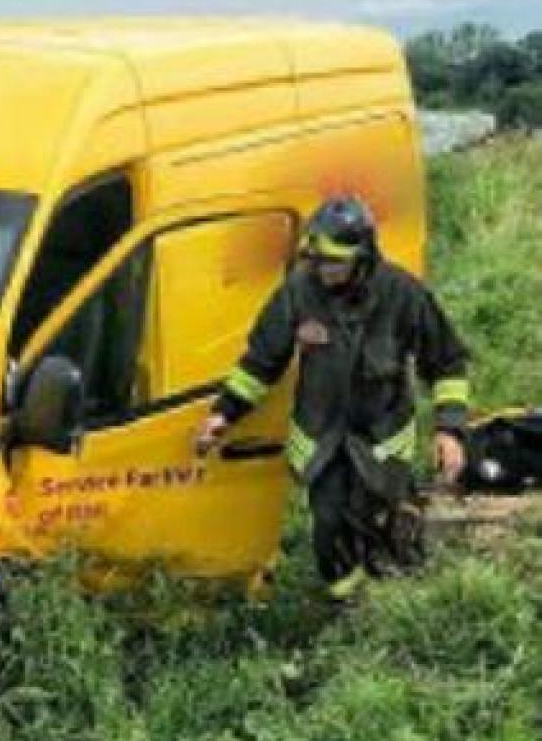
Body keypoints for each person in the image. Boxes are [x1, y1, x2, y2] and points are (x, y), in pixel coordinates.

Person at [196, 195, 470, 603]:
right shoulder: (298, 292)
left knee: (375, 520)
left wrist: (449, 430)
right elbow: (261, 361)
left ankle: (400, 590)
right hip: (321, 438)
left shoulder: (403, 294)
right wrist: (224, 413)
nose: (324, 270)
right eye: (318, 260)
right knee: (328, 525)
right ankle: (350, 606)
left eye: (334, 263)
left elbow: (447, 362)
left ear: (362, 258)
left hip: (382, 436)